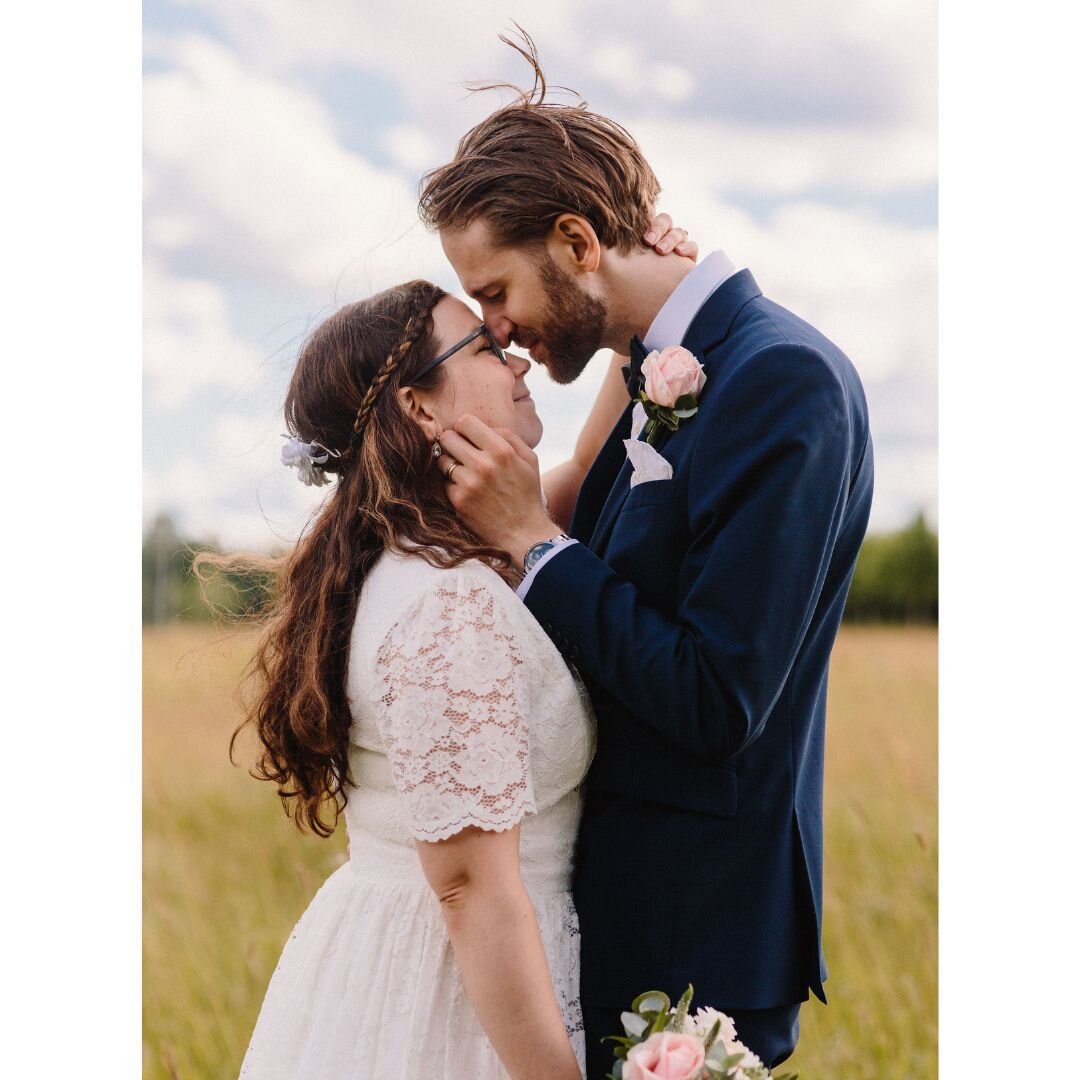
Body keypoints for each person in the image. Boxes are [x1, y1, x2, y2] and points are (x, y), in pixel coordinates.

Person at [418, 38, 875, 1075]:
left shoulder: (780, 381)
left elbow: (720, 698)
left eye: (496, 292)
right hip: (619, 917)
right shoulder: (662, 368)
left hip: (695, 944)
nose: (497, 332)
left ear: (576, 240)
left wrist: (534, 542)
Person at [224, 222, 694, 1078]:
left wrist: (654, 305)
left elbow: (586, 465)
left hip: (418, 963)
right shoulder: (447, 606)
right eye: (483, 344)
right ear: (419, 406)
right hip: (459, 1002)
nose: (515, 356)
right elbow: (471, 886)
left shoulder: (438, 546)